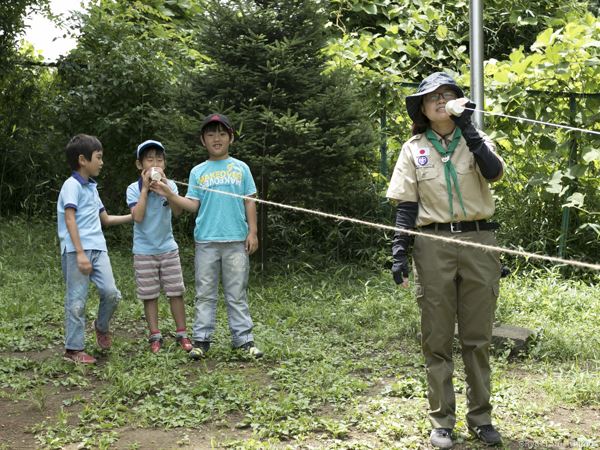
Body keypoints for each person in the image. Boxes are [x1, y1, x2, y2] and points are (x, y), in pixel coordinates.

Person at [386, 72, 505, 449]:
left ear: (458, 101)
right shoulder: (414, 148)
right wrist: (399, 250)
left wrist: (469, 127)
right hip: (432, 243)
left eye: (447, 94)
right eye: (431, 97)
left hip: (478, 240)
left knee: (477, 337)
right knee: (436, 337)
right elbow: (406, 204)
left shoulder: (476, 137)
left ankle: (481, 419)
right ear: (421, 108)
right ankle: (442, 421)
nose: (440, 100)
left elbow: (495, 172)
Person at [150, 113, 262, 359]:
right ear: (203, 141)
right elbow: (191, 205)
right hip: (206, 243)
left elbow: (250, 201)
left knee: (236, 292)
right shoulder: (198, 171)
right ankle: (201, 340)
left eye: (222, 133)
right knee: (205, 293)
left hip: (236, 241)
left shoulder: (241, 168)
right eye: (210, 134)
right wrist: (169, 194)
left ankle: (243, 340)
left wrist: (252, 232)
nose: (216, 138)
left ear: (230, 137)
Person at [57, 134, 132, 364]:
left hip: (99, 249)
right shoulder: (71, 186)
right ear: (83, 159)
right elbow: (70, 220)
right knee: (77, 300)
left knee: (112, 293)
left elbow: (105, 220)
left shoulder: (92, 188)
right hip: (76, 251)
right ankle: (73, 349)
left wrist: (133, 217)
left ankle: (101, 326)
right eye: (98, 157)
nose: (101, 162)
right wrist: (80, 253)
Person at [126, 140, 193, 353]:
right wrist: (145, 190)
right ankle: (155, 335)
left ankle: (182, 333)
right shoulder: (133, 189)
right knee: (149, 294)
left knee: (175, 292)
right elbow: (137, 217)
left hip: (168, 248)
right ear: (140, 165)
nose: (155, 163)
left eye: (159, 159)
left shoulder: (170, 185)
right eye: (150, 159)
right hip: (144, 251)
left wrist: (167, 192)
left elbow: (178, 211)